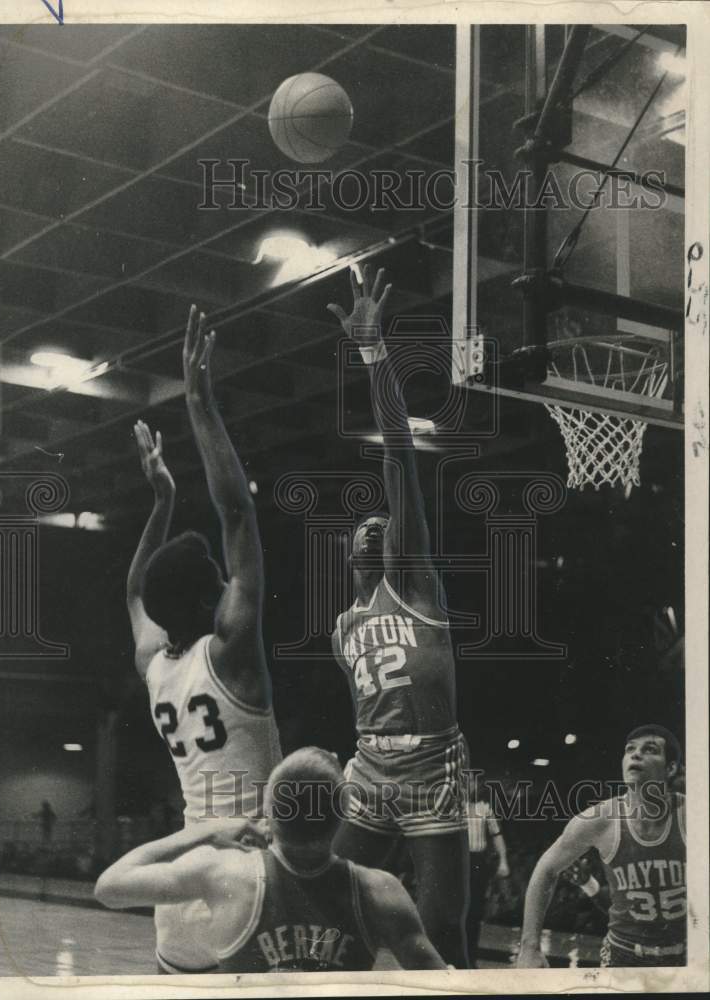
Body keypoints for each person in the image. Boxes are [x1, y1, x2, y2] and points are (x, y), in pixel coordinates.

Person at [126, 305, 281, 973]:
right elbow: (237, 512)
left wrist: (161, 501)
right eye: (216, 576)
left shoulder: (154, 667)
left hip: (180, 884)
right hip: (247, 877)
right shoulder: (232, 655)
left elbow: (135, 592)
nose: (227, 579)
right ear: (201, 596)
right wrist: (200, 405)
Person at [326, 265, 470, 967]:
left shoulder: (411, 584)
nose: (377, 527)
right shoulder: (343, 627)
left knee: (441, 931)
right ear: (347, 550)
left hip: (433, 764)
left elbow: (398, 459)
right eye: (366, 527)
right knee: (333, 909)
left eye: (387, 524)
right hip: (369, 769)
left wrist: (373, 353)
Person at [95, 747, 447, 972]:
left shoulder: (225, 875)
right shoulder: (380, 891)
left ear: (267, 813)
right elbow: (439, 984)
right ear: (342, 817)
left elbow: (108, 888)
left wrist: (205, 831)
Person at [518, 725, 686, 968]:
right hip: (623, 954)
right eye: (630, 750)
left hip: (686, 954)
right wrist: (530, 946)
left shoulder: (693, 814)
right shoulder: (600, 819)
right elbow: (545, 869)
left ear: (670, 768)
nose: (635, 755)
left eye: (649, 750)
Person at [465, 772, 510, 967]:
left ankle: (470, 957)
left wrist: (503, 861)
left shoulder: (485, 808)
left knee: (474, 912)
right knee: (456, 912)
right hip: (458, 861)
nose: (469, 787)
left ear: (477, 786)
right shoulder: (452, 809)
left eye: (472, 783)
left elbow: (497, 835)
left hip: (477, 861)